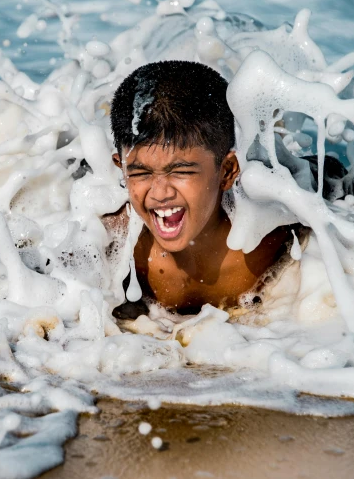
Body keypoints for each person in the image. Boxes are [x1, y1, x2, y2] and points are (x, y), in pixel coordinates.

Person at [105, 60, 298, 321]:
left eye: (181, 171)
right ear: (122, 167)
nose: (160, 193)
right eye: (140, 173)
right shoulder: (112, 241)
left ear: (227, 171)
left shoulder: (272, 235)